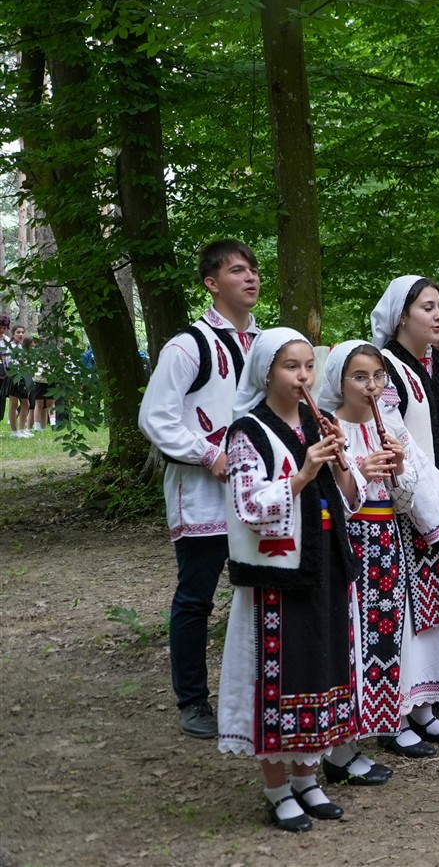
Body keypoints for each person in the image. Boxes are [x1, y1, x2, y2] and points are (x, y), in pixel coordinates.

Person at [218, 328, 364, 832]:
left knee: (321, 669)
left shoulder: (316, 421)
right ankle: (277, 788)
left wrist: (340, 463)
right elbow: (247, 506)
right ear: (266, 373)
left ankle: (308, 777)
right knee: (278, 678)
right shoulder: (247, 432)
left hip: (325, 564)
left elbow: (349, 497)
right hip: (277, 576)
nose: (302, 376)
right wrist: (302, 474)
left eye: (308, 366)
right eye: (290, 366)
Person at [137, 239, 261, 738]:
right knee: (196, 598)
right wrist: (209, 454)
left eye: (253, 270)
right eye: (237, 270)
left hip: (260, 494)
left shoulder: (266, 345)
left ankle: (256, 691)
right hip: (203, 494)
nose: (250, 277)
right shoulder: (188, 346)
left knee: (261, 593)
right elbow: (155, 417)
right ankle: (192, 701)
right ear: (211, 283)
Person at [319, 340, 439, 787]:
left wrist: (400, 466)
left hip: (387, 541)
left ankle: (372, 731)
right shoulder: (328, 428)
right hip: (349, 545)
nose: (371, 386)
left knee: (384, 641)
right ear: (338, 381)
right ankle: (340, 750)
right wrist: (360, 471)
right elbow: (332, 501)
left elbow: (404, 501)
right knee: (350, 643)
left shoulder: (387, 424)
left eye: (377, 376)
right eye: (359, 377)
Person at [370, 276, 439, 755]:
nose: (438, 315)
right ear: (401, 316)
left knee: (438, 613)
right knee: (407, 616)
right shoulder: (385, 367)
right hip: (409, 507)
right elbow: (399, 444)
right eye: (427, 307)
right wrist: (435, 511)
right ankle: (396, 716)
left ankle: (427, 706)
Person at [8, 324, 32, 438]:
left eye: (22, 332)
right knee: (13, 404)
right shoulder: (11, 346)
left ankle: (22, 430)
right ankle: (14, 431)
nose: (21, 334)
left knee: (25, 403)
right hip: (13, 376)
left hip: (22, 376)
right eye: (18, 332)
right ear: (13, 334)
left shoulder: (20, 347)